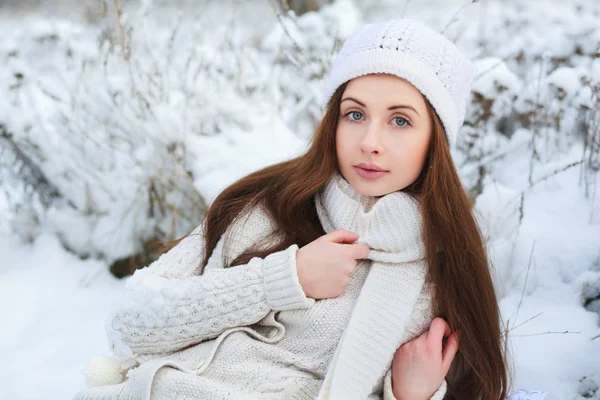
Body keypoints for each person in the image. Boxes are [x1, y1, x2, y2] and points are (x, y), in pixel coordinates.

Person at [75, 18, 510, 400]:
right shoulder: (264, 205)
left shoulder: (443, 272)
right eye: (354, 114)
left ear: (435, 140)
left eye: (400, 121)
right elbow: (129, 327)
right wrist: (283, 279)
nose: (370, 142)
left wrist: (411, 397)